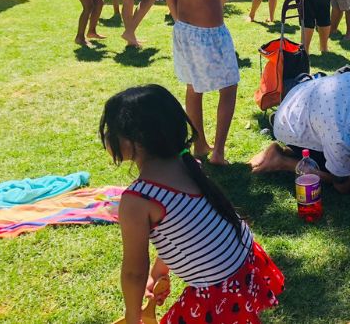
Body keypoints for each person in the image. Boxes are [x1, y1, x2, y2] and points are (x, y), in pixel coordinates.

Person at [99, 84, 283, 324]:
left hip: (220, 292)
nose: (106, 137)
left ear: (135, 139)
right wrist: (160, 271)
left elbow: (134, 273)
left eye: (111, 130)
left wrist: (133, 316)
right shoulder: (186, 163)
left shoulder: (138, 201)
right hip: (244, 263)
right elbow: (188, 229)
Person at [163, 0, 244, 165]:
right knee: (229, 86)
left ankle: (199, 144)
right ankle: (218, 152)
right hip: (210, 31)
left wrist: (178, 20)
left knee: (193, 87)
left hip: (185, 29)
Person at [248, 72, 350, 192]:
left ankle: (291, 151)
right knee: (339, 173)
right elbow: (342, 185)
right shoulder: (339, 135)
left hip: (299, 96)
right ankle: (282, 161)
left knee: (337, 157)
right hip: (289, 123)